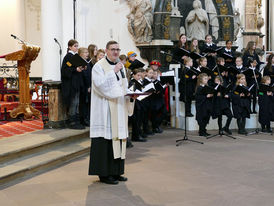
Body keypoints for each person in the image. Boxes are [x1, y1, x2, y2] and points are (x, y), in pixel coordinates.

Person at [88, 40, 135, 185]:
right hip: (105, 110)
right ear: (107, 51)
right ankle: (104, 174)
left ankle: (116, 172)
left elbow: (123, 85)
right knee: (106, 141)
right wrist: (112, 73)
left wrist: (130, 95)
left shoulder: (119, 67)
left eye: (117, 49)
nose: (115, 52)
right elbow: (100, 86)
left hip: (118, 108)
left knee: (118, 140)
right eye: (113, 49)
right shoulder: (98, 66)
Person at [61, 39, 85, 129]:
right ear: (70, 47)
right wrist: (75, 69)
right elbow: (65, 70)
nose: (77, 48)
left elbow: (77, 67)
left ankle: (76, 121)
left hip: (76, 83)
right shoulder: (68, 57)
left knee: (77, 102)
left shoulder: (75, 56)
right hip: (71, 84)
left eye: (77, 46)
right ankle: (72, 122)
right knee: (73, 103)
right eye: (75, 46)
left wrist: (82, 67)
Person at [129, 69, 147, 142]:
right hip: (135, 103)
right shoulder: (132, 82)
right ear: (133, 75)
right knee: (136, 121)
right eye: (138, 75)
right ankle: (136, 136)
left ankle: (139, 134)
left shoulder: (139, 82)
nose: (139, 77)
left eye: (140, 75)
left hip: (140, 102)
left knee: (139, 120)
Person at [78, 47, 91, 126]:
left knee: (86, 103)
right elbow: (85, 75)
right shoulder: (80, 62)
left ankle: (86, 118)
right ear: (81, 54)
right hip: (83, 86)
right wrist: (88, 86)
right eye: (85, 52)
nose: (87, 54)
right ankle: (83, 119)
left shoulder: (86, 62)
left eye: (87, 52)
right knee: (83, 104)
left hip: (86, 85)